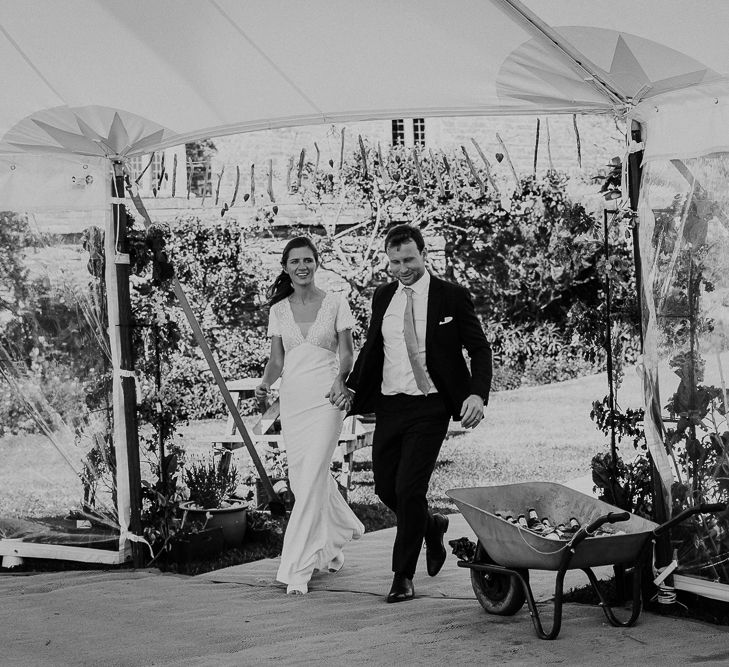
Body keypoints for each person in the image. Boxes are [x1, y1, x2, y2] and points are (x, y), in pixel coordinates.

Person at [339, 224, 492, 603]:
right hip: (391, 405)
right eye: (394, 262)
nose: (402, 268)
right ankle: (431, 525)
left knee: (409, 488)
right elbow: (374, 348)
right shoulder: (383, 297)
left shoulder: (450, 297)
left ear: (424, 254)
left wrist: (477, 394)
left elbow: (480, 349)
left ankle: (402, 576)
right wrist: (351, 387)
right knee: (385, 488)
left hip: (431, 406)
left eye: (408, 259)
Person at [255, 236, 365, 595]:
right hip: (293, 401)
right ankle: (337, 537)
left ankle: (297, 568)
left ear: (317, 263)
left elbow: (347, 354)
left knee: (315, 471)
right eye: (294, 261)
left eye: (308, 260)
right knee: (305, 479)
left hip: (327, 399)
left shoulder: (336, 302)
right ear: (285, 267)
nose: (301, 267)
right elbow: (277, 360)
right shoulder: (278, 310)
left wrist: (340, 380)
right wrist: (264, 384)